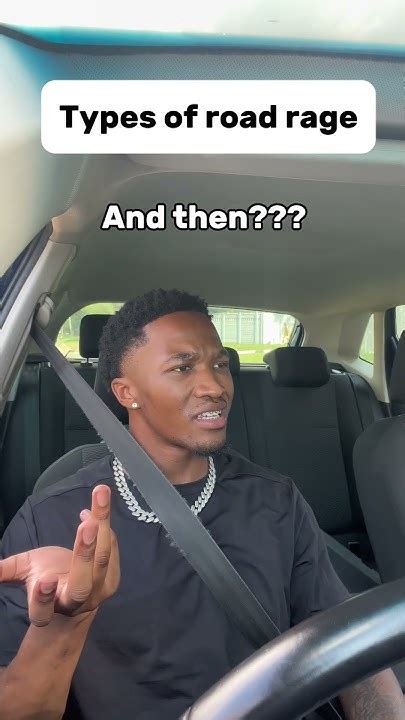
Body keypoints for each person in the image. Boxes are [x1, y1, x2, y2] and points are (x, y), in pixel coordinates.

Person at [0, 288, 403, 720]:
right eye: (182, 367)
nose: (215, 387)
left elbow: (341, 639)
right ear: (126, 391)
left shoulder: (276, 501)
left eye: (221, 364)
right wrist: (64, 624)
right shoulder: (50, 521)